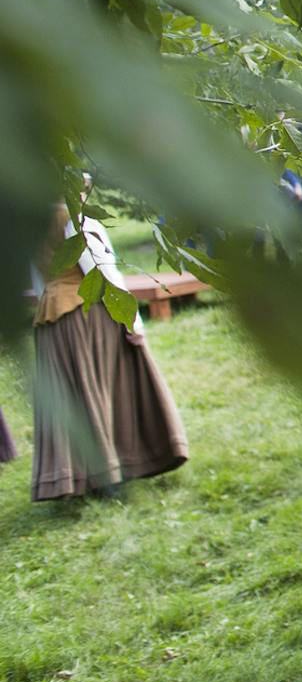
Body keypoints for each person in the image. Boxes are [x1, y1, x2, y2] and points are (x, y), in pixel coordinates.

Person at [27, 205, 189, 501]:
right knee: (101, 389)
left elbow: (38, 282)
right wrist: (133, 321)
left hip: (50, 321)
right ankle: (109, 477)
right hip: (87, 315)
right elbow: (101, 271)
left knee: (71, 399)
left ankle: (75, 479)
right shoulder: (75, 217)